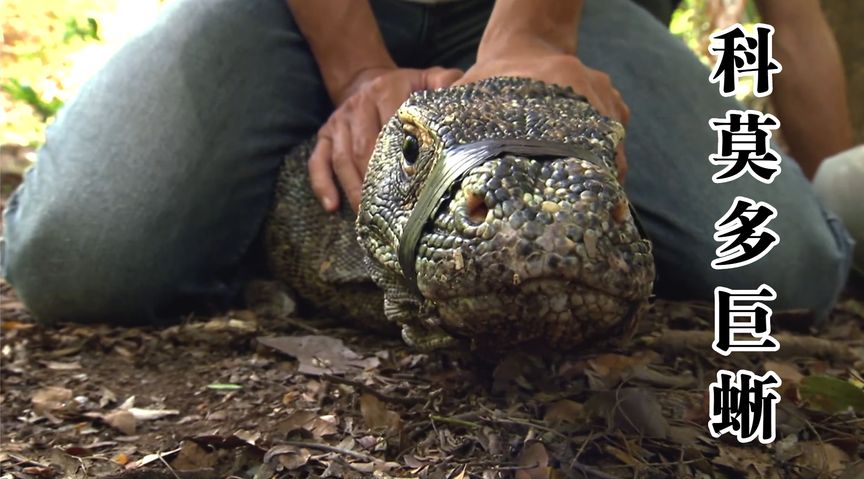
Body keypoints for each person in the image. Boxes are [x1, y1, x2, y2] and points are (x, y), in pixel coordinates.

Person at [0, 0, 854, 326]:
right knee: (81, 261)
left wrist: (536, 31)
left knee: (789, 266)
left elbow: (793, 14)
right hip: (291, 11)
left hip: (569, 16)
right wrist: (359, 71)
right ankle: (291, 184)